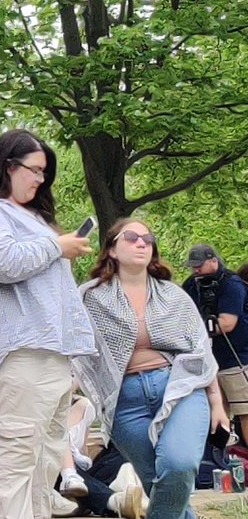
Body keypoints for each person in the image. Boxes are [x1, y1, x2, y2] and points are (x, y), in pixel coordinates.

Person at [0, 129, 97, 519]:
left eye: (44, 173)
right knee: (16, 457)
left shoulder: (32, 217)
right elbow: (5, 263)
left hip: (50, 352)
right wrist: (56, 246)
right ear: (7, 166)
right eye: (34, 169)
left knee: (46, 456)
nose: (40, 179)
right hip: (14, 353)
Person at [74, 219, 227, 519]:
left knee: (179, 466)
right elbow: (75, 351)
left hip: (180, 387)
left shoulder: (174, 296)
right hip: (124, 402)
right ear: (112, 249)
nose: (142, 242)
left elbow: (201, 352)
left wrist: (217, 404)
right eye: (131, 237)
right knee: (166, 489)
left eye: (148, 238)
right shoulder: (89, 298)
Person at [183, 244, 248, 456]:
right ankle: (218, 458)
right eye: (193, 267)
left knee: (245, 410)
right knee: (213, 413)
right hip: (204, 361)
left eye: (199, 266)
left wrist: (199, 328)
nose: (195, 271)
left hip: (235, 358)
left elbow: (227, 323)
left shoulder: (232, 284)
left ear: (213, 261)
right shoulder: (191, 285)